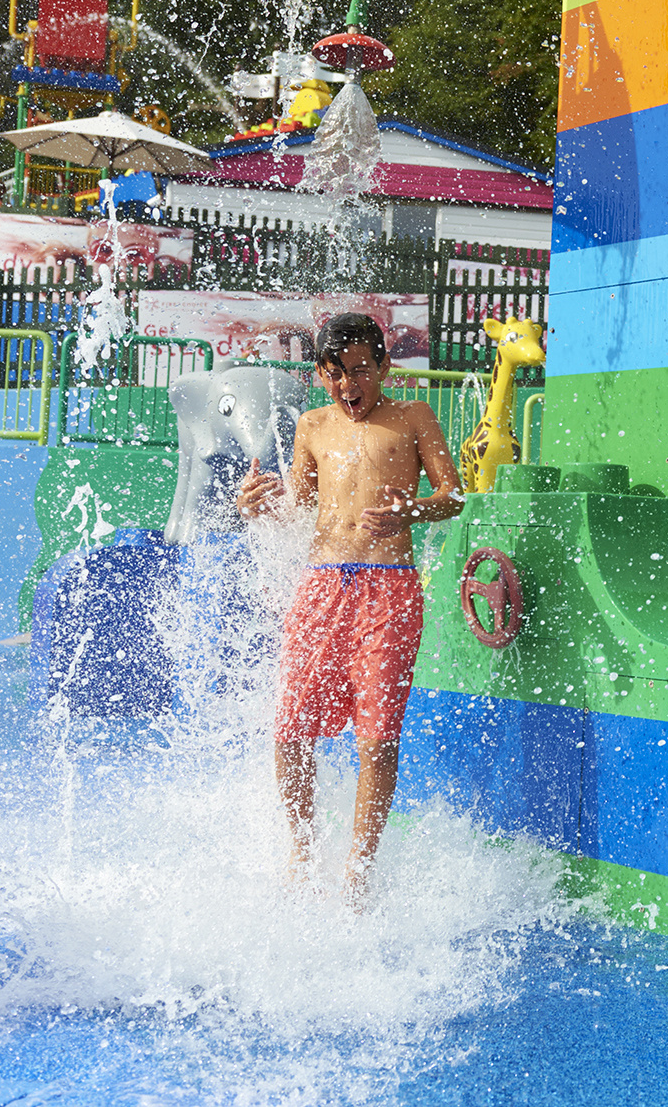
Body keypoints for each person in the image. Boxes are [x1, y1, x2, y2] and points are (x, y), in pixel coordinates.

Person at [234, 313, 464, 905]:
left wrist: (410, 512)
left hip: (389, 590)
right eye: (336, 374)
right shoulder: (312, 426)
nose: (349, 385)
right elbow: (300, 507)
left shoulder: (413, 417)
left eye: (361, 370)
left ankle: (358, 871)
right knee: (289, 730)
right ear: (320, 374)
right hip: (320, 588)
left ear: (384, 367)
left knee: (377, 738)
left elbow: (454, 495)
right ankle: (302, 850)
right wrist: (258, 507)